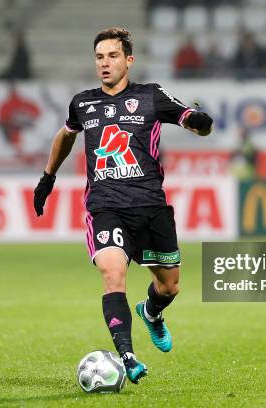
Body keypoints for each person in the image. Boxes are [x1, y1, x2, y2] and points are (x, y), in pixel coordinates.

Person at [33, 27, 213, 384]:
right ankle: (127, 356)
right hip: (106, 205)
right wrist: (47, 177)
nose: (105, 63)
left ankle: (151, 313)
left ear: (129, 60)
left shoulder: (150, 96)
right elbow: (65, 135)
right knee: (113, 274)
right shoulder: (82, 103)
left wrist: (200, 122)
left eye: (112, 56)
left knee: (169, 287)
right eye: (99, 57)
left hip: (150, 206)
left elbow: (188, 118)